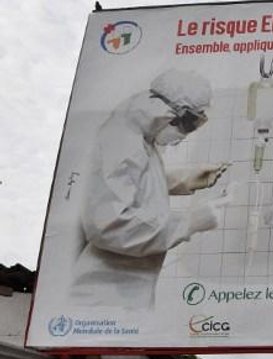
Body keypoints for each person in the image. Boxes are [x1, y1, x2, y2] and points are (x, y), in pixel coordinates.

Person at [71, 69, 229, 308]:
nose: (185, 132)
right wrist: (189, 222)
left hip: (124, 293)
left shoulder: (136, 135)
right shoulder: (121, 139)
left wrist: (184, 180)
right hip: (103, 298)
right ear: (165, 112)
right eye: (188, 122)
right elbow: (109, 226)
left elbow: (128, 182)